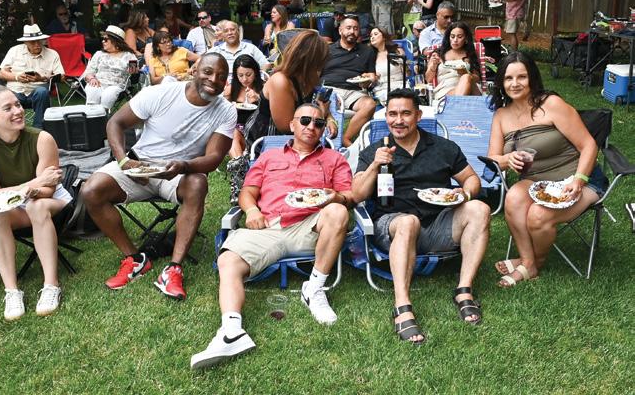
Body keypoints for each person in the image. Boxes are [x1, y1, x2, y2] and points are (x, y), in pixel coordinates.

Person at [190, 103, 353, 370]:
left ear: (324, 129)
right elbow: (248, 192)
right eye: (305, 120)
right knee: (228, 261)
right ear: (292, 124)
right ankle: (231, 331)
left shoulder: (335, 159)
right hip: (267, 226)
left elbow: (348, 197)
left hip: (310, 226)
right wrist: (252, 210)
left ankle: (313, 289)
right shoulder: (269, 157)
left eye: (319, 123)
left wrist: (336, 197)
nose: (311, 126)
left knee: (337, 211)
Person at [81, 53, 236, 299]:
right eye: (208, 72)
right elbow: (115, 123)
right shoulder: (160, 93)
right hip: (138, 165)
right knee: (91, 191)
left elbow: (215, 157)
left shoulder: (226, 111)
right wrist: (123, 161)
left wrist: (183, 165)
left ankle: (173, 269)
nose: (214, 80)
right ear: (194, 70)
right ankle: (135, 259)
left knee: (198, 183)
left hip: (179, 173)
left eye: (221, 76)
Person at [352, 88, 489, 344]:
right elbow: (357, 194)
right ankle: (402, 306)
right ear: (385, 116)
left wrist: (465, 193)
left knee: (479, 209)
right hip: (393, 227)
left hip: (437, 224)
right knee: (408, 222)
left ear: (418, 115)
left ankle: (464, 290)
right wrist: (375, 165)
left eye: (405, 113)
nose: (398, 120)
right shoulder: (375, 151)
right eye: (392, 114)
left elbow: (471, 178)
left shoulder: (443, 147)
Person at [487, 52, 605, 287]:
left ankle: (535, 263)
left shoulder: (550, 104)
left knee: (538, 215)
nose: (515, 83)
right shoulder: (501, 116)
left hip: (577, 178)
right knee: (513, 198)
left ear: (532, 78)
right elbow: (493, 159)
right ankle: (528, 262)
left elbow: (589, 145)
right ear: (501, 82)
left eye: (522, 77)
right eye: (508, 78)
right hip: (536, 182)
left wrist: (579, 180)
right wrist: (507, 159)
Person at [0, 84, 72, 321]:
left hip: (49, 201)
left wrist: (34, 187)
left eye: (17, 104)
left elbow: (47, 189)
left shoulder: (41, 139)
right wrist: (34, 182)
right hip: (12, 205)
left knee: (37, 206)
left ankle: (51, 285)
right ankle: (12, 291)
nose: (18, 111)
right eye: (8, 108)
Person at [320, 15, 378, 147]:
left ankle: (345, 138)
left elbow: (371, 75)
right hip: (330, 89)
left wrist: (369, 79)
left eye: (356, 29)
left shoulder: (367, 51)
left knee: (370, 104)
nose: (352, 31)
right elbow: (317, 74)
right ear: (340, 30)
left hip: (354, 91)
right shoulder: (327, 49)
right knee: (321, 104)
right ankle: (325, 141)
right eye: (348, 28)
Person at [0, 24, 64, 129]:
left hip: (38, 92)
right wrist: (17, 77)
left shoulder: (52, 54)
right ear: (25, 42)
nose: (37, 44)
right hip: (15, 91)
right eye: (33, 42)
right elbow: (2, 73)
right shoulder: (14, 51)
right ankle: (12, 129)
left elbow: (62, 77)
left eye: (39, 41)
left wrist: (41, 78)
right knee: (6, 96)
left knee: (42, 92)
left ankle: (38, 129)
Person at [83, 25, 137, 110]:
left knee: (109, 94)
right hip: (98, 83)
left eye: (105, 39)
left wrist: (134, 67)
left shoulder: (129, 55)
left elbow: (133, 72)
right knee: (92, 90)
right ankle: (91, 115)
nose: (103, 41)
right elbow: (88, 72)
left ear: (115, 41)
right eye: (102, 39)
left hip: (116, 85)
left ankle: (103, 115)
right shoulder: (99, 54)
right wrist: (91, 78)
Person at [424, 21, 481, 101]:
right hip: (446, 90)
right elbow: (428, 79)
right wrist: (433, 65)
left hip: (470, 89)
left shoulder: (470, 54)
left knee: (466, 77)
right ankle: (458, 103)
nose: (455, 40)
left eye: (459, 37)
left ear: (466, 38)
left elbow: (477, 79)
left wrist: (466, 73)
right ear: (448, 37)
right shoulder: (439, 54)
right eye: (452, 36)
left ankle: (456, 105)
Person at [223, 54, 263, 159]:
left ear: (255, 72)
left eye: (248, 74)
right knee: (233, 132)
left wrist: (259, 98)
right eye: (240, 75)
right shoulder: (231, 90)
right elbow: (220, 112)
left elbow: (272, 111)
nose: (244, 79)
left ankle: (239, 163)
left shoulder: (264, 88)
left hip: (258, 131)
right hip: (238, 131)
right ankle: (240, 164)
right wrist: (228, 104)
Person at [370, 26, 406, 106]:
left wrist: (405, 65)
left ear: (384, 37)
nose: (372, 37)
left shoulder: (397, 51)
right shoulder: (371, 56)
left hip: (400, 85)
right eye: (371, 35)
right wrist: (374, 77)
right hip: (382, 89)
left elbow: (407, 74)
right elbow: (370, 79)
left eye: (375, 34)